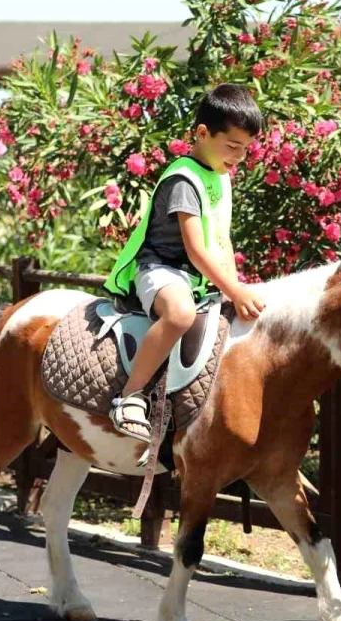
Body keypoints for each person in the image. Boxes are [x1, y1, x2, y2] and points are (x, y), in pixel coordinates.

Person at [103, 84, 266, 442]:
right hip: (160, 269)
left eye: (245, 149)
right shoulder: (184, 179)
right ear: (203, 133)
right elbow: (195, 250)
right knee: (179, 315)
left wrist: (235, 287)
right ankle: (129, 397)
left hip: (197, 278)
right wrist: (233, 289)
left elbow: (222, 240)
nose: (239, 157)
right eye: (232, 146)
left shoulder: (220, 176)